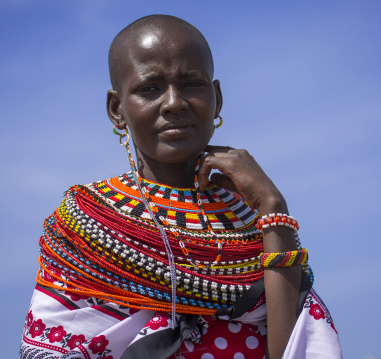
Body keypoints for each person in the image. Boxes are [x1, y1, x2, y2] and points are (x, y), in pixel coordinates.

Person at [20, 15, 342, 359]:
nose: (174, 102)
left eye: (191, 83)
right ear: (117, 109)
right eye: (149, 88)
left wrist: (273, 206)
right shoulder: (86, 223)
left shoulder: (255, 221)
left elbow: (295, 350)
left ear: (216, 97)